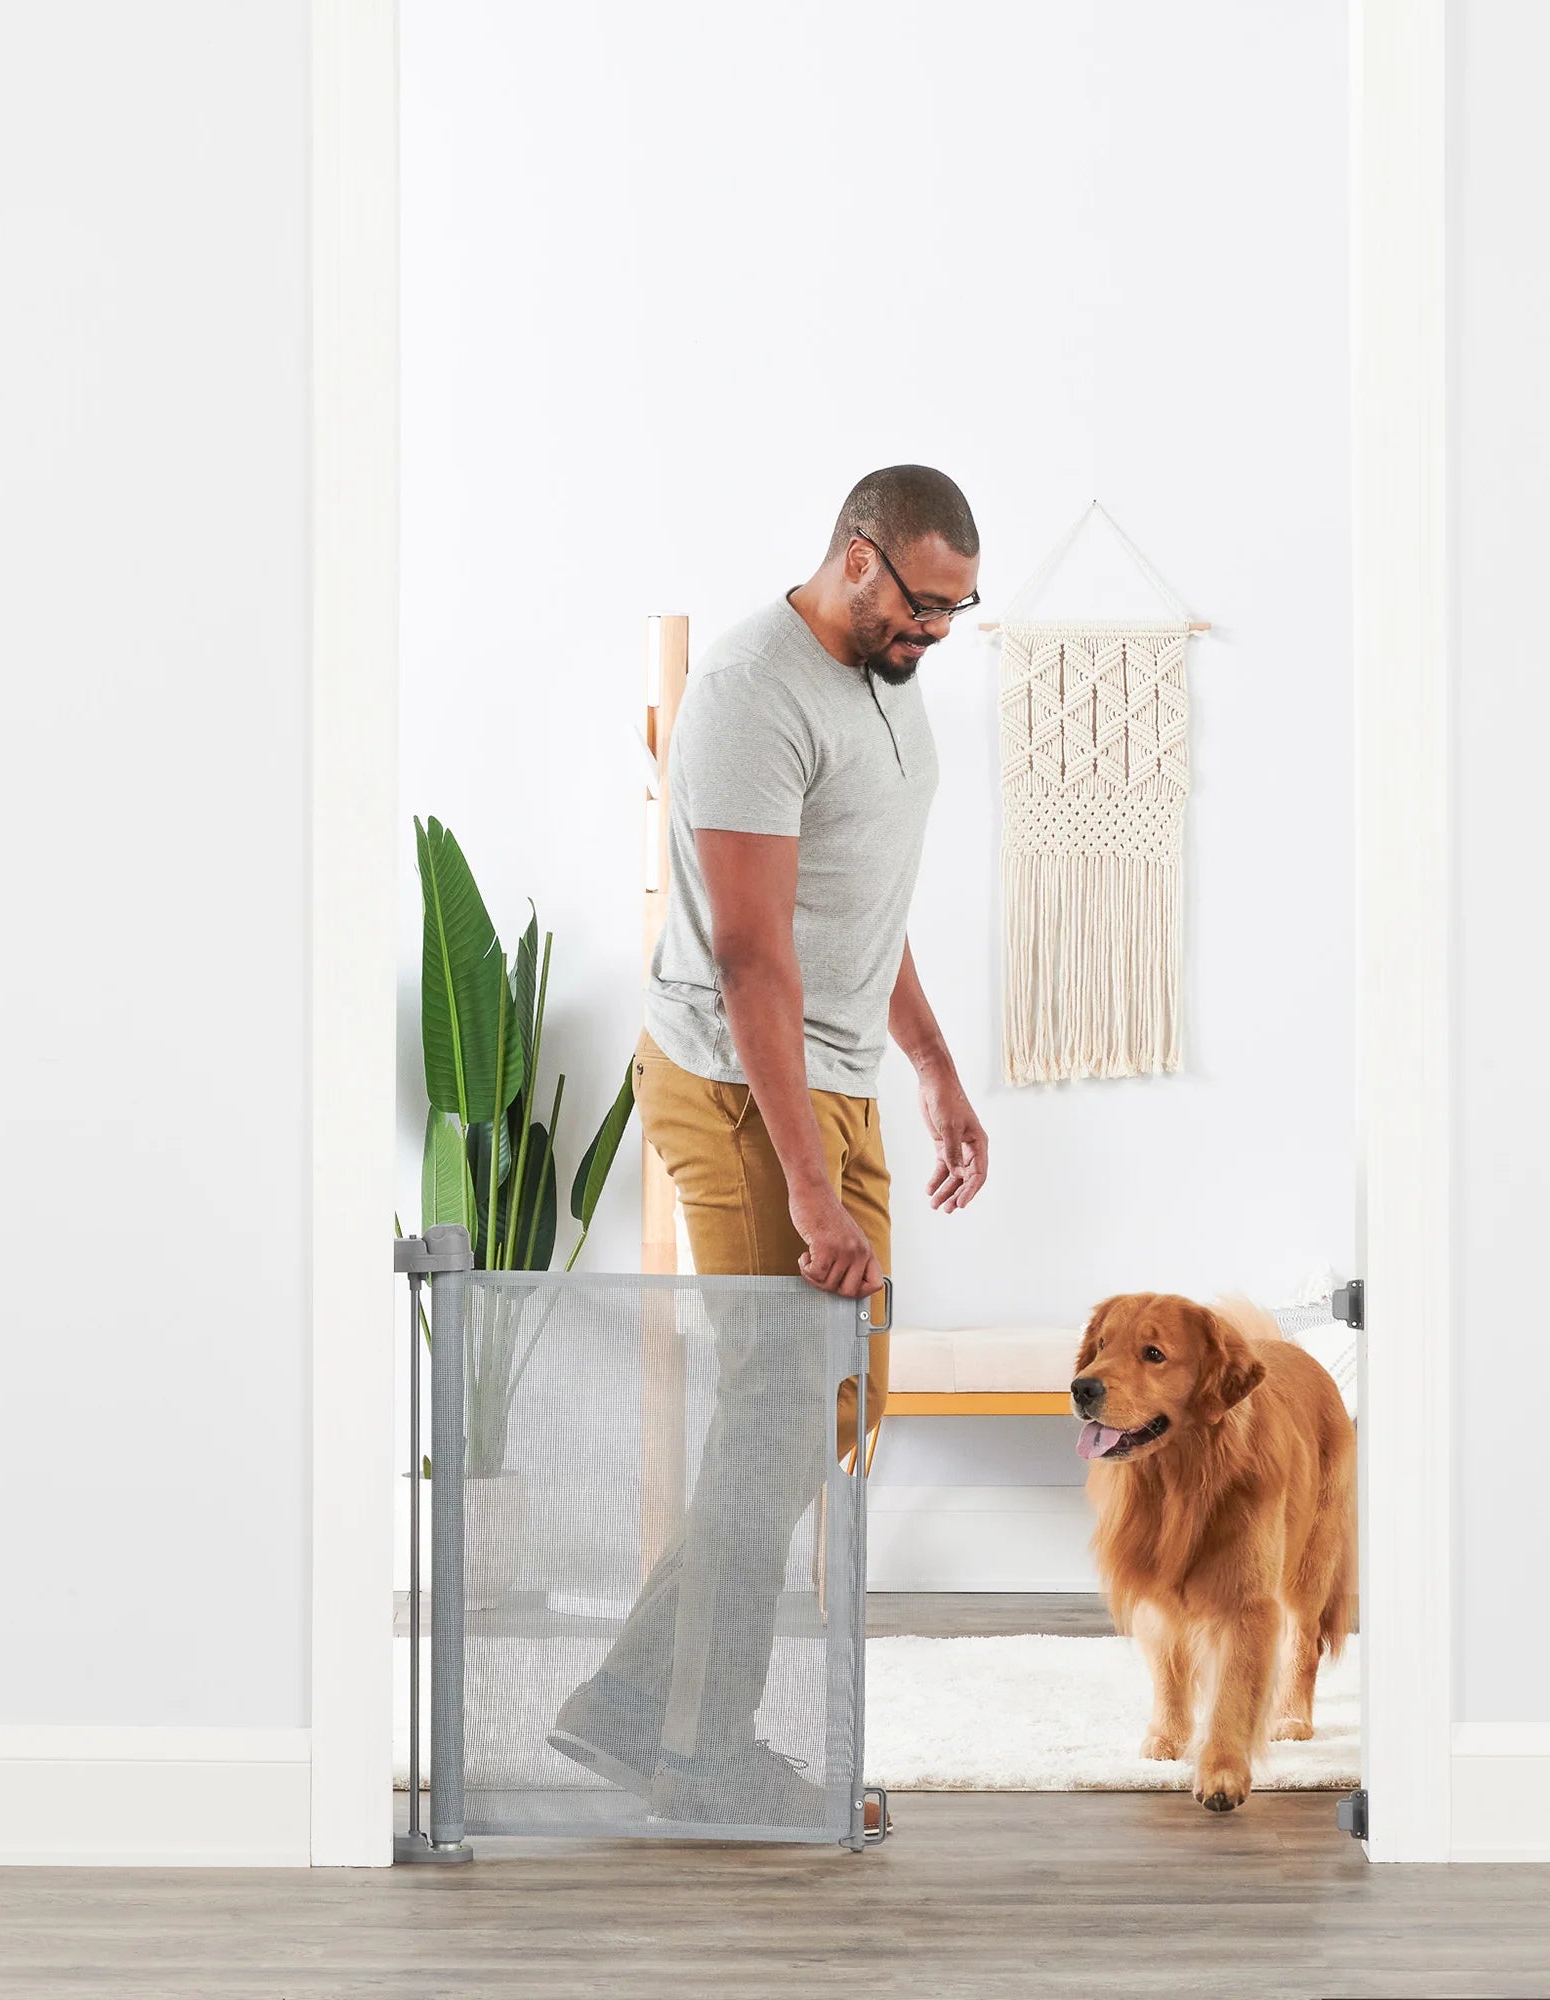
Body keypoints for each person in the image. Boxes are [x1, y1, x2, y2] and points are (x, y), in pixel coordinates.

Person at [548, 465, 990, 1826]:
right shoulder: (750, 694)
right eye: (922, 605)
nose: (934, 636)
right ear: (858, 561)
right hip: (745, 1086)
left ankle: (626, 1709)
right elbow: (751, 956)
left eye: (959, 614)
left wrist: (932, 1067)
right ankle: (699, 1750)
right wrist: (812, 1192)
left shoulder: (884, 693)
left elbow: (857, 899)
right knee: (775, 1413)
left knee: (822, 1412)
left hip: (839, 1076)